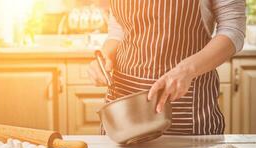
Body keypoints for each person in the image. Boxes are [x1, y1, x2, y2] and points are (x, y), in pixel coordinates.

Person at [88, 0, 246, 135]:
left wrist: (187, 70)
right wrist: (105, 57)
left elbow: (233, 30)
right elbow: (118, 30)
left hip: (187, 111)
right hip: (122, 108)